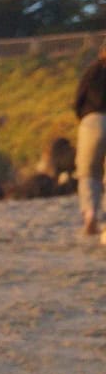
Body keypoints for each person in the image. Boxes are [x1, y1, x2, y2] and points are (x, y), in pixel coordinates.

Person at [73, 45, 106, 237]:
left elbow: (78, 98)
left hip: (92, 121)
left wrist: (84, 117)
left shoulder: (93, 71)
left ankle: (90, 214)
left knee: (87, 172)